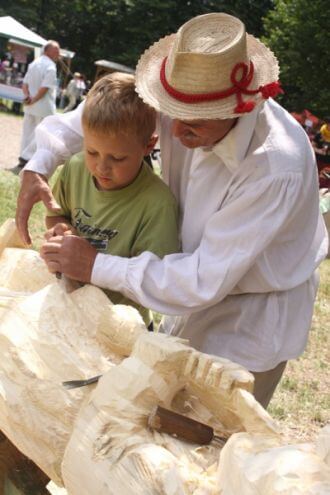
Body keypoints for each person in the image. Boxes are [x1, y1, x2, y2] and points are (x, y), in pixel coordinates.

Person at [16, 13, 328, 408]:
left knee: (207, 442)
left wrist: (96, 265)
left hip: (250, 315)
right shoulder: (178, 94)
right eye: (169, 114)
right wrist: (39, 163)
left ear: (239, 109)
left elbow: (203, 279)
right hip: (184, 290)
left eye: (193, 126)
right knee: (152, 417)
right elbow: (93, 118)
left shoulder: (273, 166)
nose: (172, 134)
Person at [44, 72, 179, 329]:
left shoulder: (158, 203)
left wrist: (93, 264)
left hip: (122, 327)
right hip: (68, 311)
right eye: (92, 151)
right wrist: (60, 229)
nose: (101, 167)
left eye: (117, 158)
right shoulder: (76, 167)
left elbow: (154, 279)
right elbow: (56, 213)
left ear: (149, 146)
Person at [12, 40, 60, 173]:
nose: (58, 53)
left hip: (31, 105)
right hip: (43, 106)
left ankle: (23, 157)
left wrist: (28, 97)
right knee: (41, 133)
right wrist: (33, 99)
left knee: (28, 131)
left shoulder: (34, 63)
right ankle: (28, 158)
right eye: (56, 50)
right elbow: (45, 87)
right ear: (47, 51)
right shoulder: (50, 66)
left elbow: (25, 84)